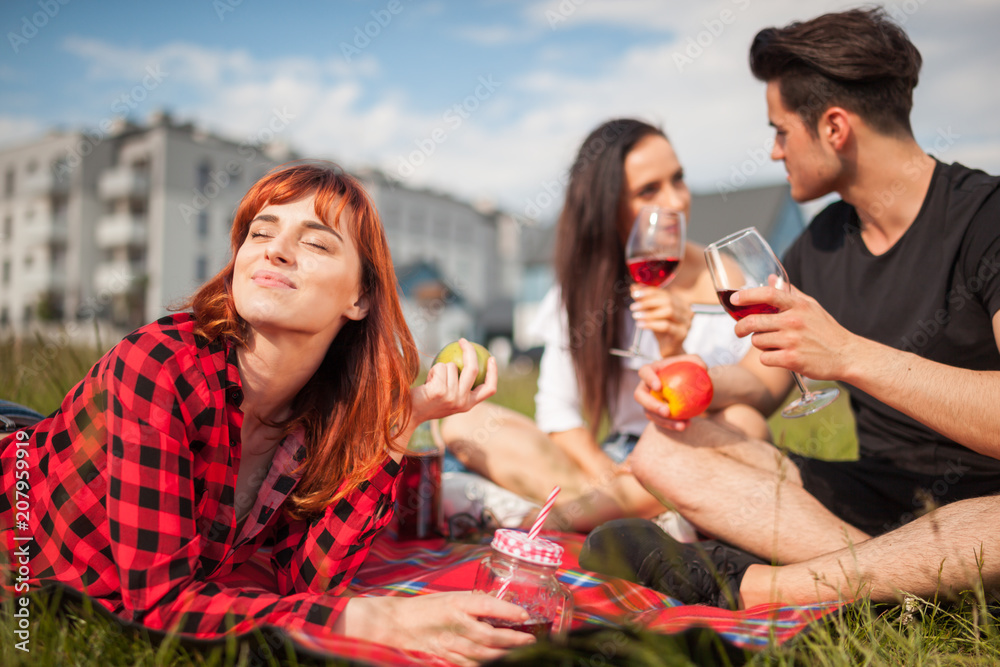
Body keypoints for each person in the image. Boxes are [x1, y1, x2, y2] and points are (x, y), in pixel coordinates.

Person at [0, 162, 537, 665]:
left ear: (361, 298)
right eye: (261, 233)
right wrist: (377, 618)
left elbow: (302, 584)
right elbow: (158, 606)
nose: (274, 252)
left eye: (316, 243)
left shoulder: (325, 413)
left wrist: (401, 422)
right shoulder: (160, 365)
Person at [580, 7, 1000, 608]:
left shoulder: (988, 218)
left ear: (834, 128)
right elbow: (759, 382)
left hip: (986, 503)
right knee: (665, 449)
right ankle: (908, 585)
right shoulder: (825, 238)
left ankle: (765, 586)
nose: (775, 151)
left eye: (780, 130)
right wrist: (701, 380)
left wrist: (850, 355)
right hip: (866, 500)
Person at [439, 119, 773, 534]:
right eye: (648, 191)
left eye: (678, 180)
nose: (675, 201)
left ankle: (560, 517)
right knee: (463, 424)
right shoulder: (583, 292)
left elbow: (751, 395)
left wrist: (674, 349)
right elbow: (559, 413)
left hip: (696, 450)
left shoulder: (727, 275)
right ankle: (632, 515)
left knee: (745, 423)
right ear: (607, 206)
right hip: (616, 464)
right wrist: (606, 476)